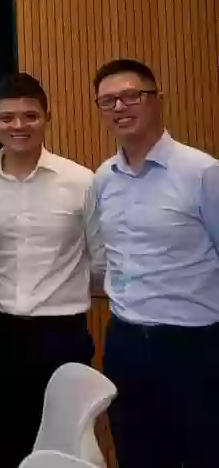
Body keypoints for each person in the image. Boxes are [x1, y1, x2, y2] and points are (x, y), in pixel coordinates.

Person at [0, 73, 98, 468]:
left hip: (62, 331)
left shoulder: (81, 181)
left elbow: (98, 253)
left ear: (47, 118)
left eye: (30, 116)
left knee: (65, 439)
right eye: (7, 117)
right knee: (3, 439)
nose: (18, 125)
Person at [88, 59, 219, 468]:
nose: (119, 107)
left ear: (157, 100)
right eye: (108, 100)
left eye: (131, 96)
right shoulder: (103, 178)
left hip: (194, 346)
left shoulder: (202, 172)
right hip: (125, 342)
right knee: (136, 455)